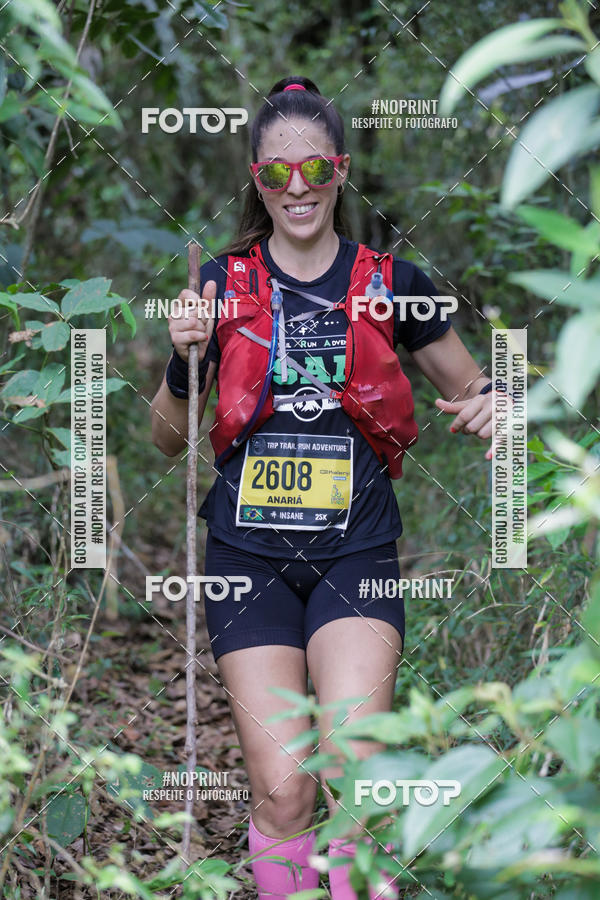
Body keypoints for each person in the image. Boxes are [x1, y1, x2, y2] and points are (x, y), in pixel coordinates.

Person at [150, 75, 496, 900]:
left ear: (341, 171)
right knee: (284, 793)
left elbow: (481, 388)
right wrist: (184, 358)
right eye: (277, 172)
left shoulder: (395, 282)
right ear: (257, 178)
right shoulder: (220, 285)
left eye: (316, 168)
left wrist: (501, 404)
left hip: (356, 555)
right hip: (247, 560)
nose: (297, 186)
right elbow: (167, 439)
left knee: (359, 786)